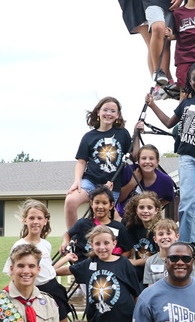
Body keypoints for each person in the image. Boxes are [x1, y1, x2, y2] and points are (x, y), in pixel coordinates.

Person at [146, 62, 195, 245]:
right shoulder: (187, 103)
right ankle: (186, 243)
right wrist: (152, 105)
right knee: (188, 202)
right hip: (187, 157)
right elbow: (168, 123)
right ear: (189, 82)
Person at [3, 200, 76, 322]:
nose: (35, 222)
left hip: (54, 290)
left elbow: (47, 270)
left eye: (39, 218)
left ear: (45, 221)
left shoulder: (45, 244)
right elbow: (14, 276)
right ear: (25, 220)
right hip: (34, 293)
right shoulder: (19, 246)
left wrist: (65, 259)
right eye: (31, 218)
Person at [65, 97, 133, 229]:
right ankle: (72, 239)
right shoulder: (89, 137)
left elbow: (133, 155)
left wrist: (137, 132)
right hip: (90, 182)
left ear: (118, 115)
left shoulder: (122, 133)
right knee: (70, 201)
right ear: (98, 112)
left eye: (113, 111)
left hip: (112, 185)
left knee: (111, 222)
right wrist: (77, 181)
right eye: (105, 110)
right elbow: (81, 162)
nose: (109, 113)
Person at [63, 186, 133, 263]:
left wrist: (115, 262)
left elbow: (127, 251)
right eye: (97, 202)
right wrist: (65, 242)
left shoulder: (119, 227)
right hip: (84, 269)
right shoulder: (82, 224)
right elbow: (67, 234)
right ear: (91, 203)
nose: (100, 206)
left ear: (111, 205)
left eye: (104, 203)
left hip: (109, 271)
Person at [116, 143, 175, 217]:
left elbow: (168, 198)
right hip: (123, 216)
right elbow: (117, 199)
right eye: (144, 158)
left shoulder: (165, 180)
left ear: (157, 162)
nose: (147, 161)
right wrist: (132, 182)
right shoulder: (128, 171)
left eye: (151, 158)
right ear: (138, 160)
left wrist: (153, 208)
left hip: (147, 219)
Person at [123, 191, 162, 279]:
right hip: (139, 270)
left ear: (156, 210)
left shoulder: (159, 229)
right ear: (136, 210)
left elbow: (159, 256)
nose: (145, 211)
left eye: (149, 208)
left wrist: (135, 262)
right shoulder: (133, 227)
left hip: (156, 271)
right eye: (141, 207)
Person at [141, 218, 182, 286]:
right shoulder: (150, 261)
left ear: (177, 237)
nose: (165, 237)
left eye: (169, 233)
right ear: (155, 239)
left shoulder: (185, 259)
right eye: (161, 234)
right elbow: (150, 288)